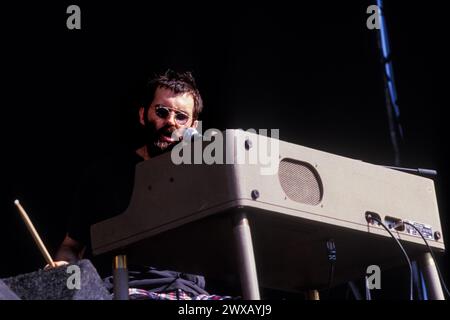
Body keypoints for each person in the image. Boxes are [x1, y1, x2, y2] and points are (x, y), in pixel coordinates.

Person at [48, 70, 227, 299]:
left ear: (194, 126)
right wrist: (62, 270)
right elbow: (71, 247)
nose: (170, 122)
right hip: (129, 290)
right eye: (162, 112)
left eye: (181, 117)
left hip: (194, 296)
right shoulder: (105, 175)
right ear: (143, 115)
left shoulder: (204, 179)